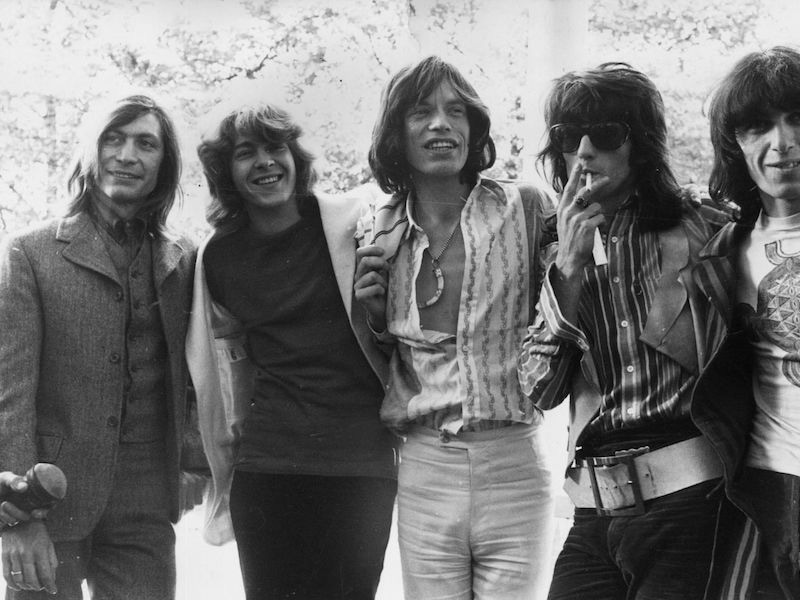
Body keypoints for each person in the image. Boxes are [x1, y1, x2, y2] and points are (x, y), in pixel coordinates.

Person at [517, 63, 733, 599]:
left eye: (607, 134)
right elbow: (537, 389)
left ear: (641, 144)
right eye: (570, 137)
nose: (585, 152)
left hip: (690, 503)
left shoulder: (706, 227)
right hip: (592, 512)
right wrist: (567, 270)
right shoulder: (554, 249)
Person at [354, 55, 555, 600]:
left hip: (515, 460)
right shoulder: (375, 227)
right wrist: (373, 318)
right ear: (398, 133)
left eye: (456, 111)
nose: (441, 124)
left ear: (475, 128)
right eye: (421, 112)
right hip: (423, 466)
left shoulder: (528, 208)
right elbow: (382, 349)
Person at [187, 101, 398, 600]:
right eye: (245, 153)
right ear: (226, 173)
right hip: (270, 468)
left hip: (360, 465)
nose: (264, 161)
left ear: (295, 157)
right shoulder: (216, 257)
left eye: (274, 147)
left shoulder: (352, 224)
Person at [0, 94, 204, 599]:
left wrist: (194, 460)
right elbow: (10, 390)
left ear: (165, 162)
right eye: (113, 138)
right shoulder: (29, 253)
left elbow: (199, 369)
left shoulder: (185, 258)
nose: (127, 155)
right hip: (48, 503)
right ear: (91, 153)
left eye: (146, 143)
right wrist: (17, 518)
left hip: (146, 507)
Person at [701, 45, 800, 599]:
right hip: (764, 491)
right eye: (757, 127)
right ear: (735, 146)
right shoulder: (723, 252)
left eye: (797, 119)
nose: (781, 143)